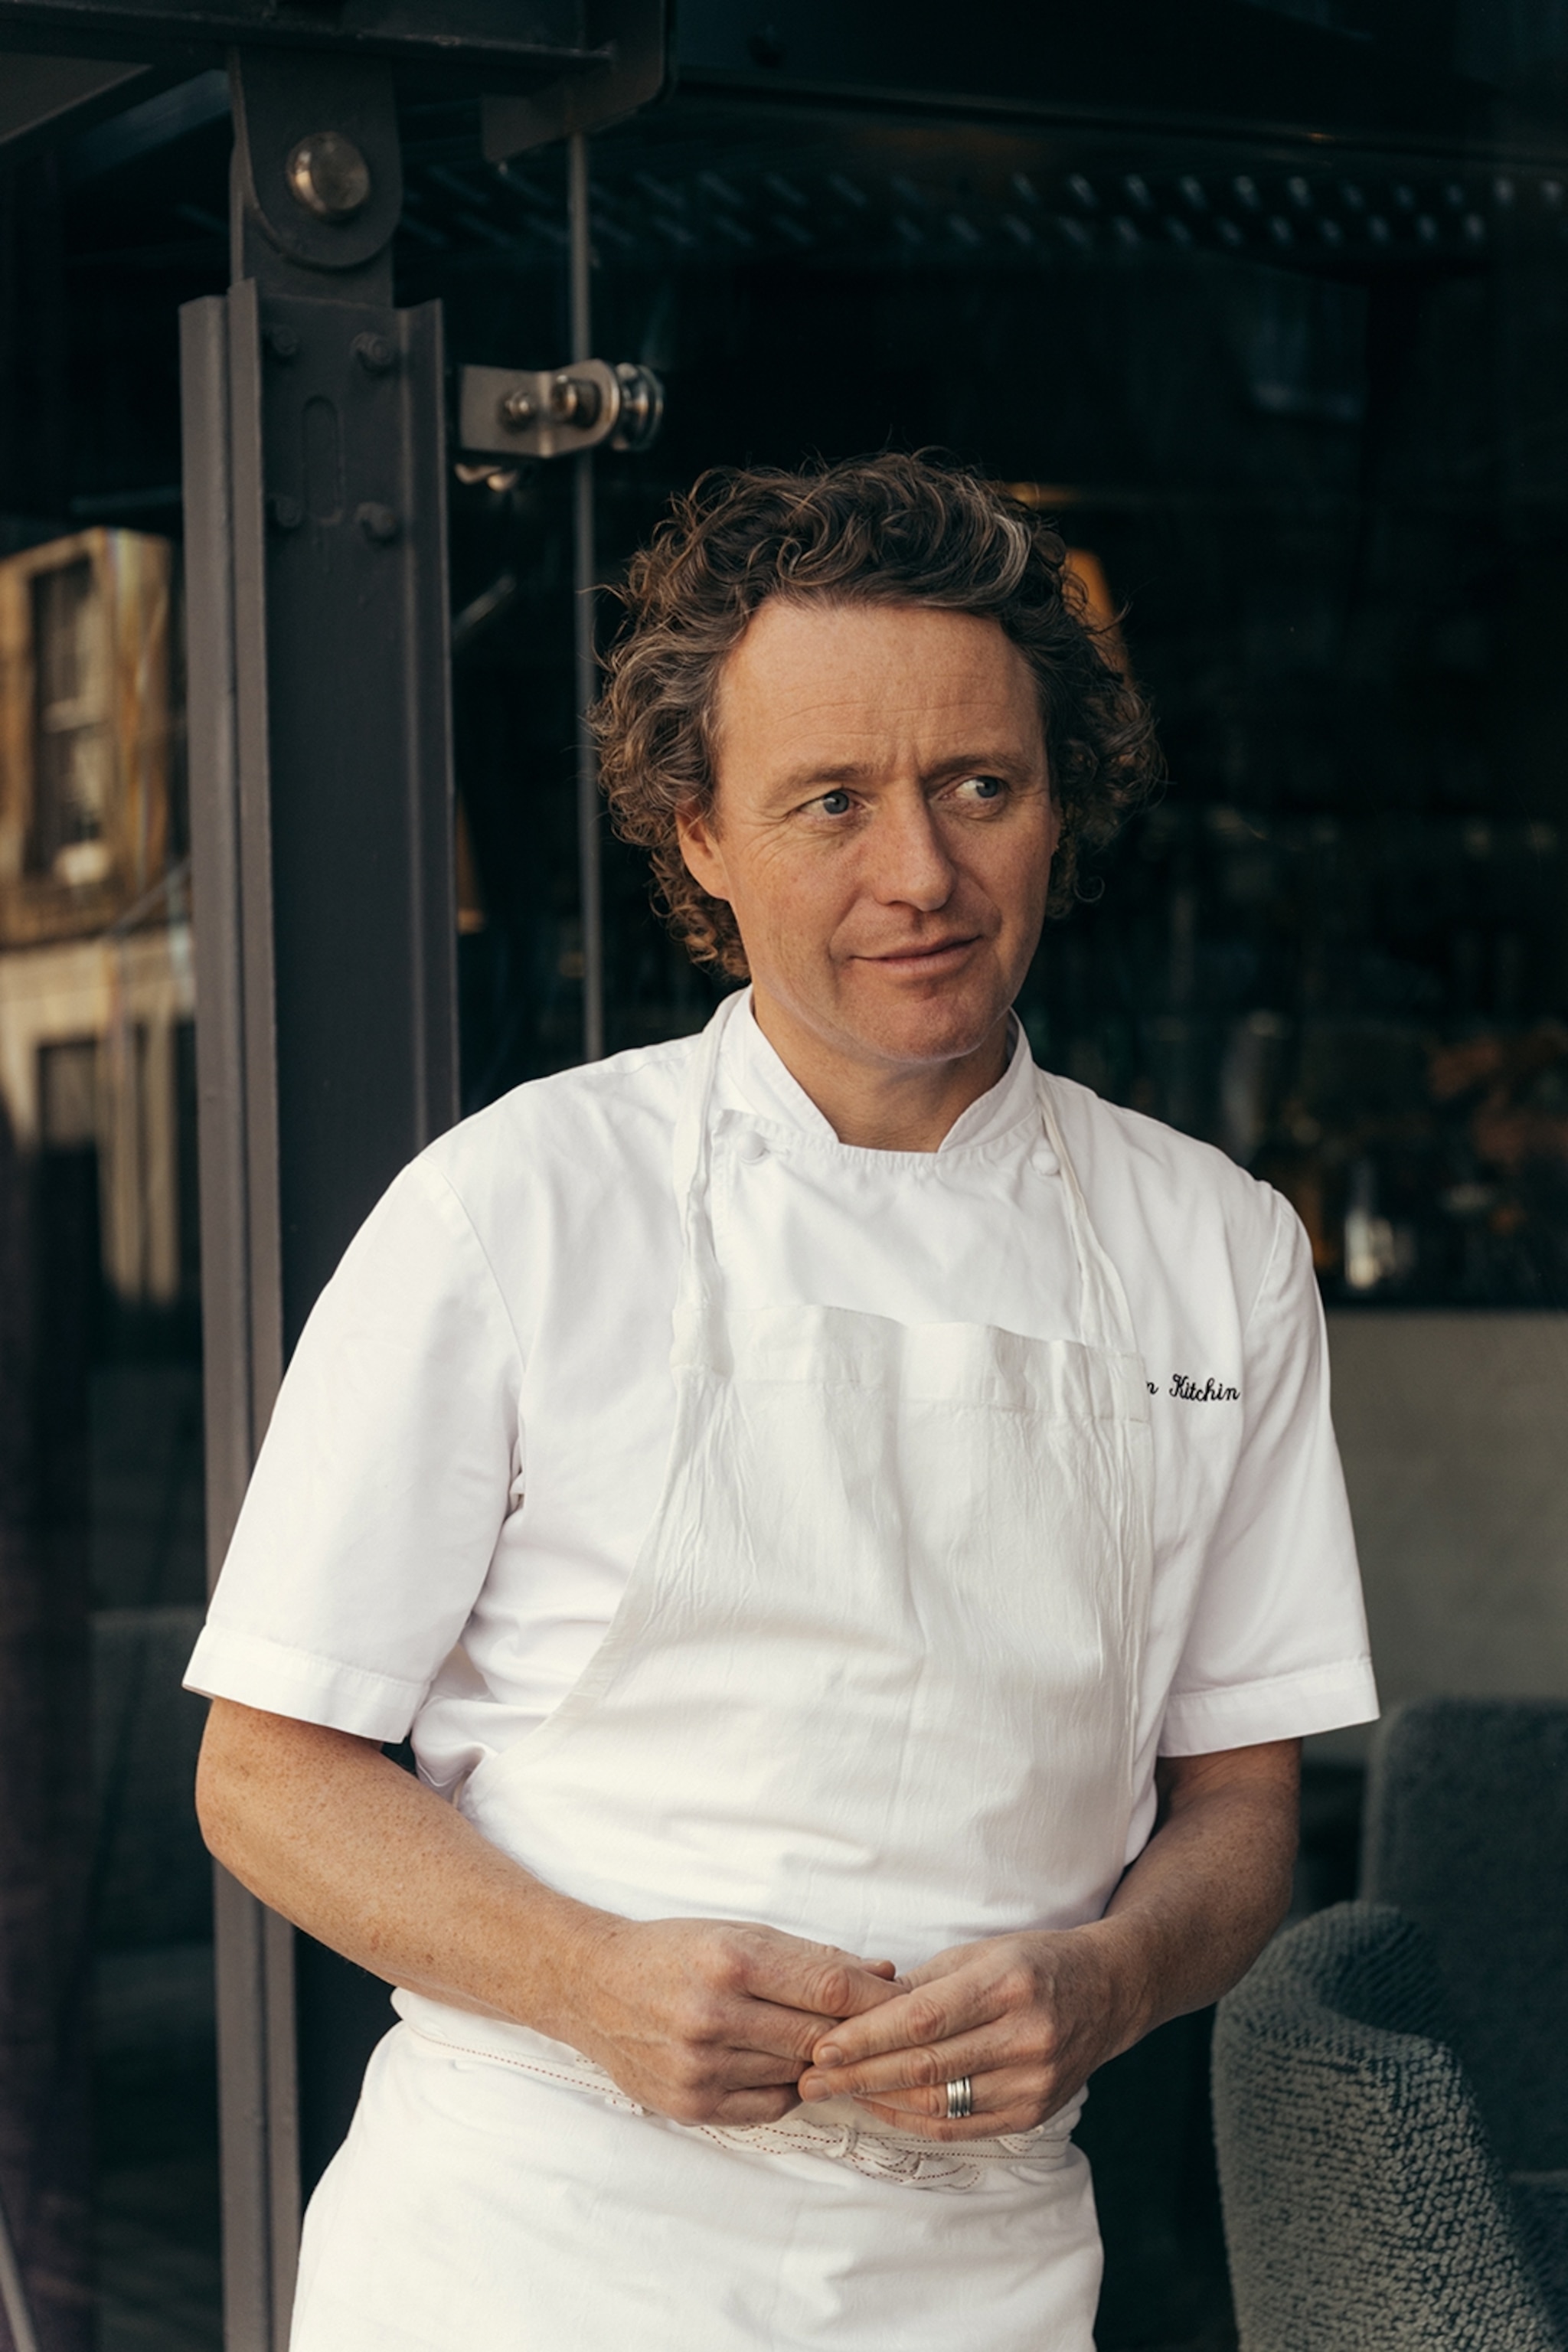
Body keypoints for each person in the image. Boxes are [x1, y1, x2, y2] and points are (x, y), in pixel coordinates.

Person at [186, 453, 1377, 2352]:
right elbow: (263, 1774)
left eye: (976, 787)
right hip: (534, 2251)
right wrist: (588, 1980)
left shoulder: (1212, 1248)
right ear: (701, 838)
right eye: (831, 801)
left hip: (984, 2268)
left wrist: (1116, 1978)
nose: (918, 873)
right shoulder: (515, 1208)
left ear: (1058, 805)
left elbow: (1240, 1805)